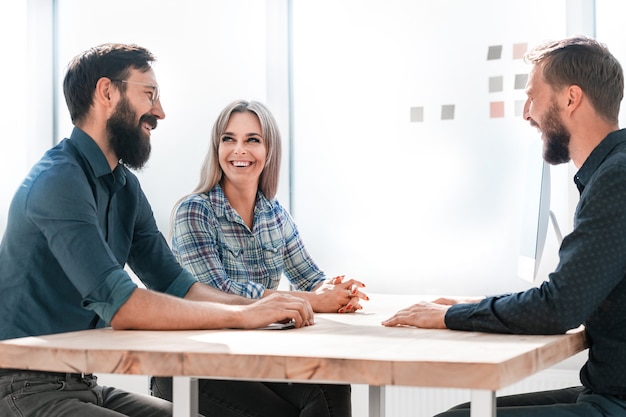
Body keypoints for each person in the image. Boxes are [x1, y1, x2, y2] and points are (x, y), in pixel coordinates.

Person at [0, 43, 314, 417]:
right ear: (107, 92)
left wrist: (259, 307)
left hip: (83, 382)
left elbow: (176, 284)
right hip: (24, 387)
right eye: (149, 95)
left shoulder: (124, 186)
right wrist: (241, 316)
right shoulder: (58, 182)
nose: (160, 112)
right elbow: (122, 305)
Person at [383, 36, 626, 417]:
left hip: (616, 401)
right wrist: (476, 306)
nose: (527, 113)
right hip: (605, 390)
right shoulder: (612, 171)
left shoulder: (617, 178)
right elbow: (571, 298)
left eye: (533, 96)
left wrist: (449, 317)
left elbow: (559, 308)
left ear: (570, 98)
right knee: (462, 412)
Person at [151, 100, 367, 416]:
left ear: (269, 151)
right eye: (229, 139)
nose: (239, 150)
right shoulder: (194, 211)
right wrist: (313, 300)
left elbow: (310, 278)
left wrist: (337, 291)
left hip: (252, 357)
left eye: (252, 140)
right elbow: (216, 294)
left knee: (330, 387)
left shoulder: (274, 215)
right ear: (217, 147)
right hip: (192, 363)